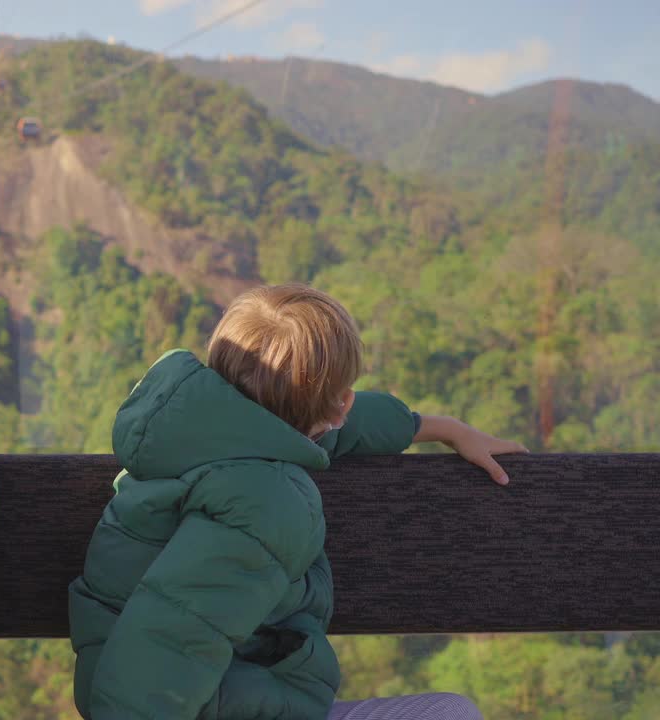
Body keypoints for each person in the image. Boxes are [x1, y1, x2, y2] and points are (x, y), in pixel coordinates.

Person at [69, 283, 527, 719]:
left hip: (206, 689)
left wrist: (442, 428)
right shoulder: (265, 505)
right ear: (337, 406)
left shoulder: (205, 428)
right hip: (198, 703)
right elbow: (167, 646)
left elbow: (336, 424)